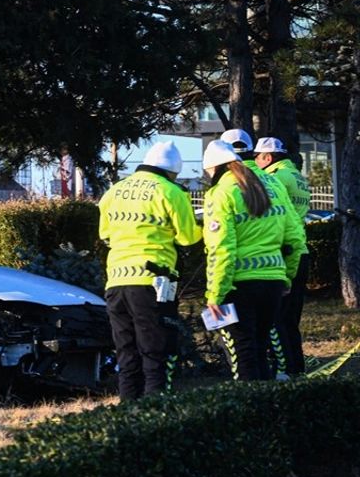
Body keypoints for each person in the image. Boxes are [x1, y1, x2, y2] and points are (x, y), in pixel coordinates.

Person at [98, 142, 202, 399]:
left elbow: (105, 234)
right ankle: (154, 408)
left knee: (126, 349)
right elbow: (188, 238)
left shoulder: (114, 191)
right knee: (154, 348)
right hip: (152, 282)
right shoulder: (171, 192)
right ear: (172, 171)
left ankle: (128, 407)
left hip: (116, 281)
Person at [201, 141, 305, 382]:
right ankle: (266, 410)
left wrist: (215, 294)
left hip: (238, 286)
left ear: (214, 168)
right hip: (273, 282)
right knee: (260, 348)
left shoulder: (221, 193)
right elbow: (295, 237)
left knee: (243, 355)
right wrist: (287, 277)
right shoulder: (272, 184)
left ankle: (248, 412)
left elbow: (222, 248)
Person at [254, 137, 312, 376]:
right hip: (301, 249)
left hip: (285, 251)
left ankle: (284, 368)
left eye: (257, 157)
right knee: (291, 319)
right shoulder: (298, 176)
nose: (255, 161)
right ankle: (297, 366)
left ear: (268, 158)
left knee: (277, 318)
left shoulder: (276, 177)